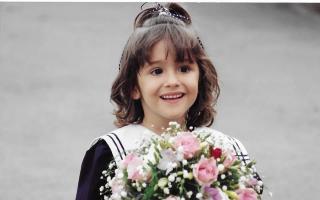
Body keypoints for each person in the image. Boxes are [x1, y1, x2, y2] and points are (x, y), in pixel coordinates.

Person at [75, 3, 262, 200]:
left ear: (200, 76)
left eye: (184, 68)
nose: (172, 82)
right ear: (134, 87)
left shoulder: (226, 150)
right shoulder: (111, 151)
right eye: (157, 71)